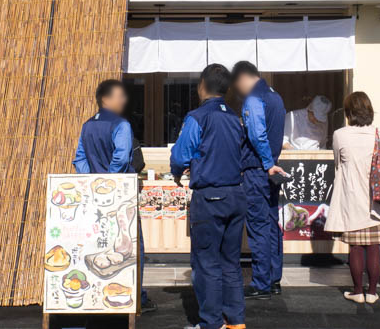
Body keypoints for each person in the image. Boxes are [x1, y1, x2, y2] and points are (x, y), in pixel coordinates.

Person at [170, 64, 247, 329]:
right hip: (236, 194)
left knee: (207, 263)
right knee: (231, 263)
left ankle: (212, 323)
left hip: (210, 196)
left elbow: (180, 155)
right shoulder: (235, 117)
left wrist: (178, 171)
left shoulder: (198, 116)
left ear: (202, 85)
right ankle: (236, 321)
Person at [73, 79, 157, 313]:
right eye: (119, 96)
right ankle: (137, 297)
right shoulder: (121, 124)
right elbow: (121, 157)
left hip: (95, 198)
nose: (123, 100)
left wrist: (91, 182)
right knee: (131, 243)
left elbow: (80, 158)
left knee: (100, 243)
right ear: (105, 99)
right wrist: (111, 181)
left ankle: (101, 295)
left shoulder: (87, 125)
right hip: (121, 195)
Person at [325, 91, 380, 305]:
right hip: (376, 198)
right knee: (373, 246)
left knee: (355, 247)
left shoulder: (340, 135)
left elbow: (337, 162)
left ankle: (357, 291)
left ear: (348, 112)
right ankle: (372, 292)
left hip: (352, 197)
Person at [231, 61, 287, 300]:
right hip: (271, 169)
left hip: (257, 170)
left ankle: (261, 283)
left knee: (258, 226)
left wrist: (266, 163)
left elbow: (256, 134)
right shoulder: (276, 96)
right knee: (272, 224)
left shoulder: (254, 99)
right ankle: (274, 279)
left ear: (243, 79)